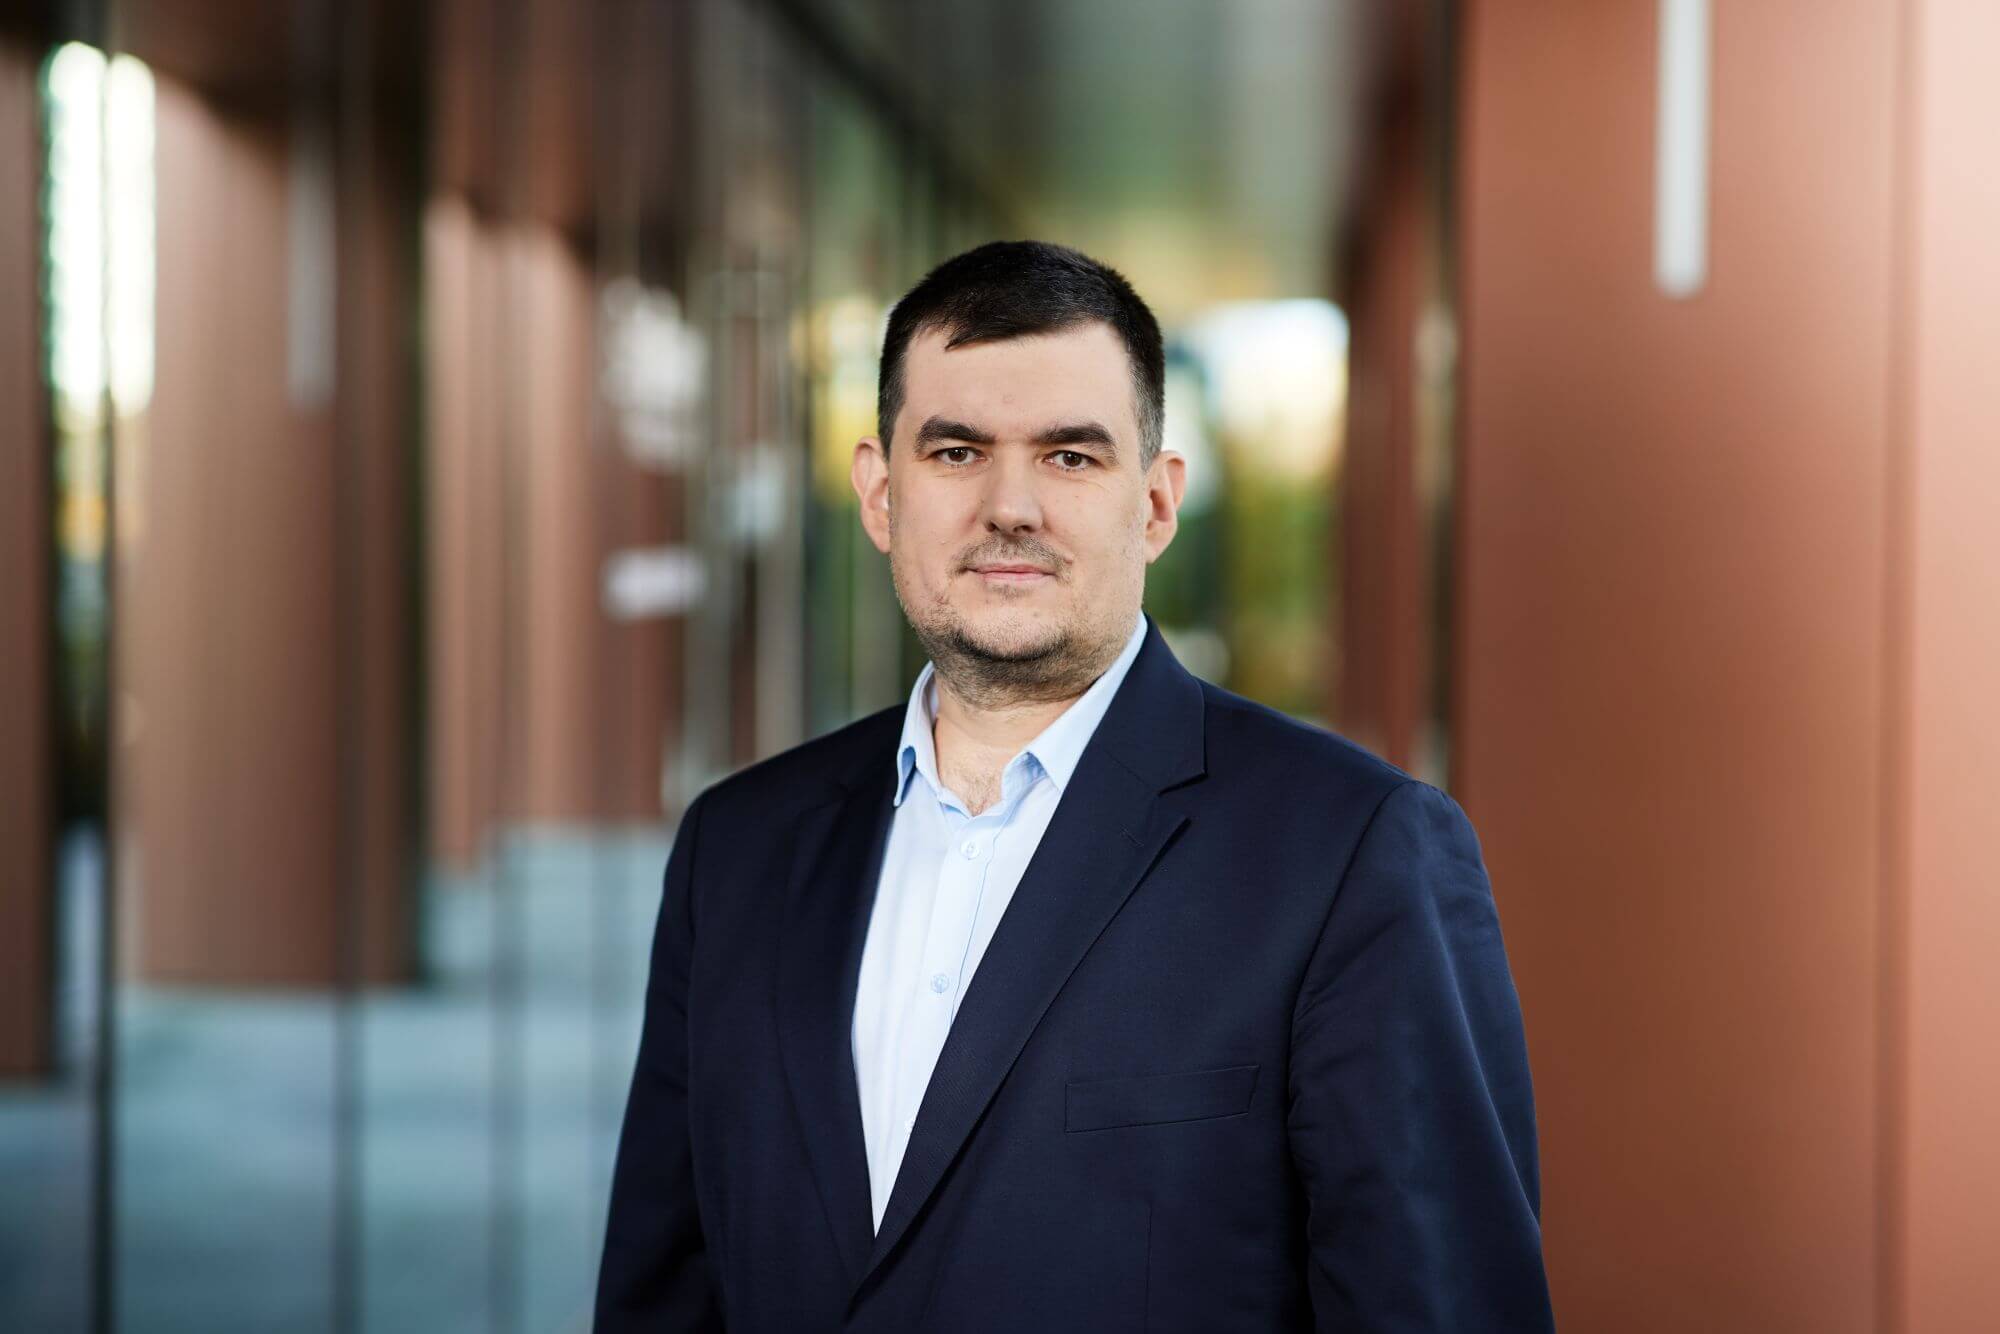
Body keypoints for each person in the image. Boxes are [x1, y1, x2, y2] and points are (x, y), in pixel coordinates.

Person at [595, 240, 1553, 1332]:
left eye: (1068, 456)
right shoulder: (736, 849)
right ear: (880, 494)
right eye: (957, 451)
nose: (1010, 506)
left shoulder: (1349, 854)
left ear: (1155, 503)